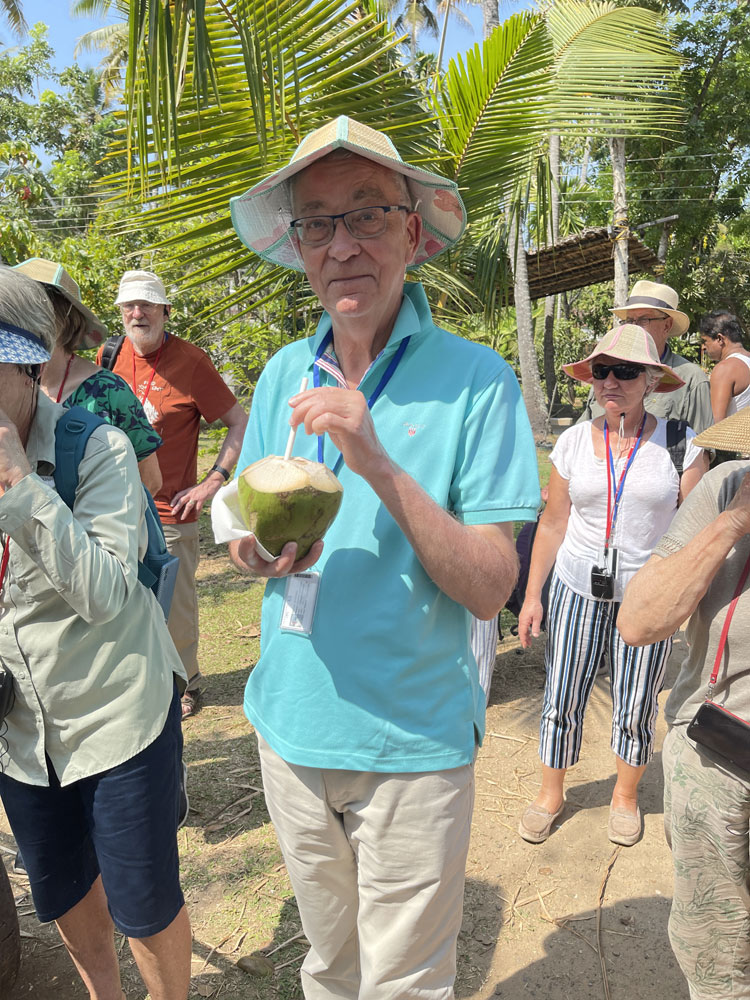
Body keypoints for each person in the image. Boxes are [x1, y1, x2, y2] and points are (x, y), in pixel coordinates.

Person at [217, 116, 540, 999]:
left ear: (411, 231)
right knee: (329, 967)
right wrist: (253, 553)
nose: (342, 244)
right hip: (289, 727)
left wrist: (379, 464)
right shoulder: (284, 372)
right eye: (318, 223)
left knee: (405, 984)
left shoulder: (478, 380)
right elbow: (240, 524)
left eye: (366, 214)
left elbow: (491, 586)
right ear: (297, 246)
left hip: (410, 746)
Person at [0, 266, 191, 1000]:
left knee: (144, 904)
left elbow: (108, 595)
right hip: (23, 737)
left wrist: (21, 487)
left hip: (117, 717)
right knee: (66, 892)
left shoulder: (98, 447)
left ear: (27, 367)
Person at [517, 323, 708, 848]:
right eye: (602, 370)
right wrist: (532, 596)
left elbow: (693, 529)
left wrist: (684, 600)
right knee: (562, 693)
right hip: (576, 587)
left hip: (646, 599)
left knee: (636, 701)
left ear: (651, 380)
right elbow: (553, 524)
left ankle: (624, 796)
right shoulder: (573, 442)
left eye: (625, 371)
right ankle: (550, 793)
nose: (610, 382)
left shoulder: (681, 445)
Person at [618, 409, 750, 999]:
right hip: (719, 758)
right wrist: (733, 522)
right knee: (718, 958)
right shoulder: (726, 487)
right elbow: (640, 622)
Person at [98, 270, 248, 718]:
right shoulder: (108, 356)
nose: (137, 313)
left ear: (165, 311)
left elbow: (239, 423)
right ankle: (138, 681)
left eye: (146, 305)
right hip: (112, 506)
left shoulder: (191, 362)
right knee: (122, 599)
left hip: (170, 510)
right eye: (129, 306)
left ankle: (185, 683)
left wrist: (213, 480)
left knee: (175, 605)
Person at [13, 256, 163, 495]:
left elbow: (150, 481)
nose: (22, 320)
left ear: (66, 317)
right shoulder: (9, 384)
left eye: (35, 307)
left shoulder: (108, 391)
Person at [578, 280, 712, 434]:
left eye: (643, 320)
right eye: (630, 320)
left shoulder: (691, 378)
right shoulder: (605, 372)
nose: (633, 327)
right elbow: (585, 431)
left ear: (667, 325)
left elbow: (703, 444)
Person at [699, 310, 750, 422]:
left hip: (733, 433)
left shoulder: (725, 369)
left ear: (720, 339)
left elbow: (716, 423)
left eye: (705, 341)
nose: (703, 347)